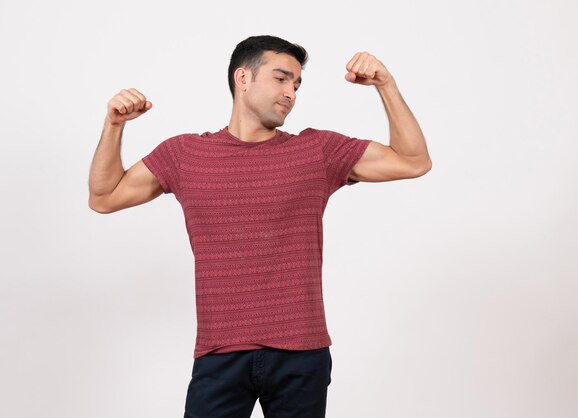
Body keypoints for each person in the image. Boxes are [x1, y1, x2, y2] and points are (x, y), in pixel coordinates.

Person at [88, 35, 431, 418]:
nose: (291, 93)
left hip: (301, 355)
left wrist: (386, 85)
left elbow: (413, 161)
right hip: (219, 356)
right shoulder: (184, 154)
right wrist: (114, 124)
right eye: (281, 79)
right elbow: (104, 197)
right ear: (243, 78)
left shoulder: (315, 151)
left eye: (297, 84)